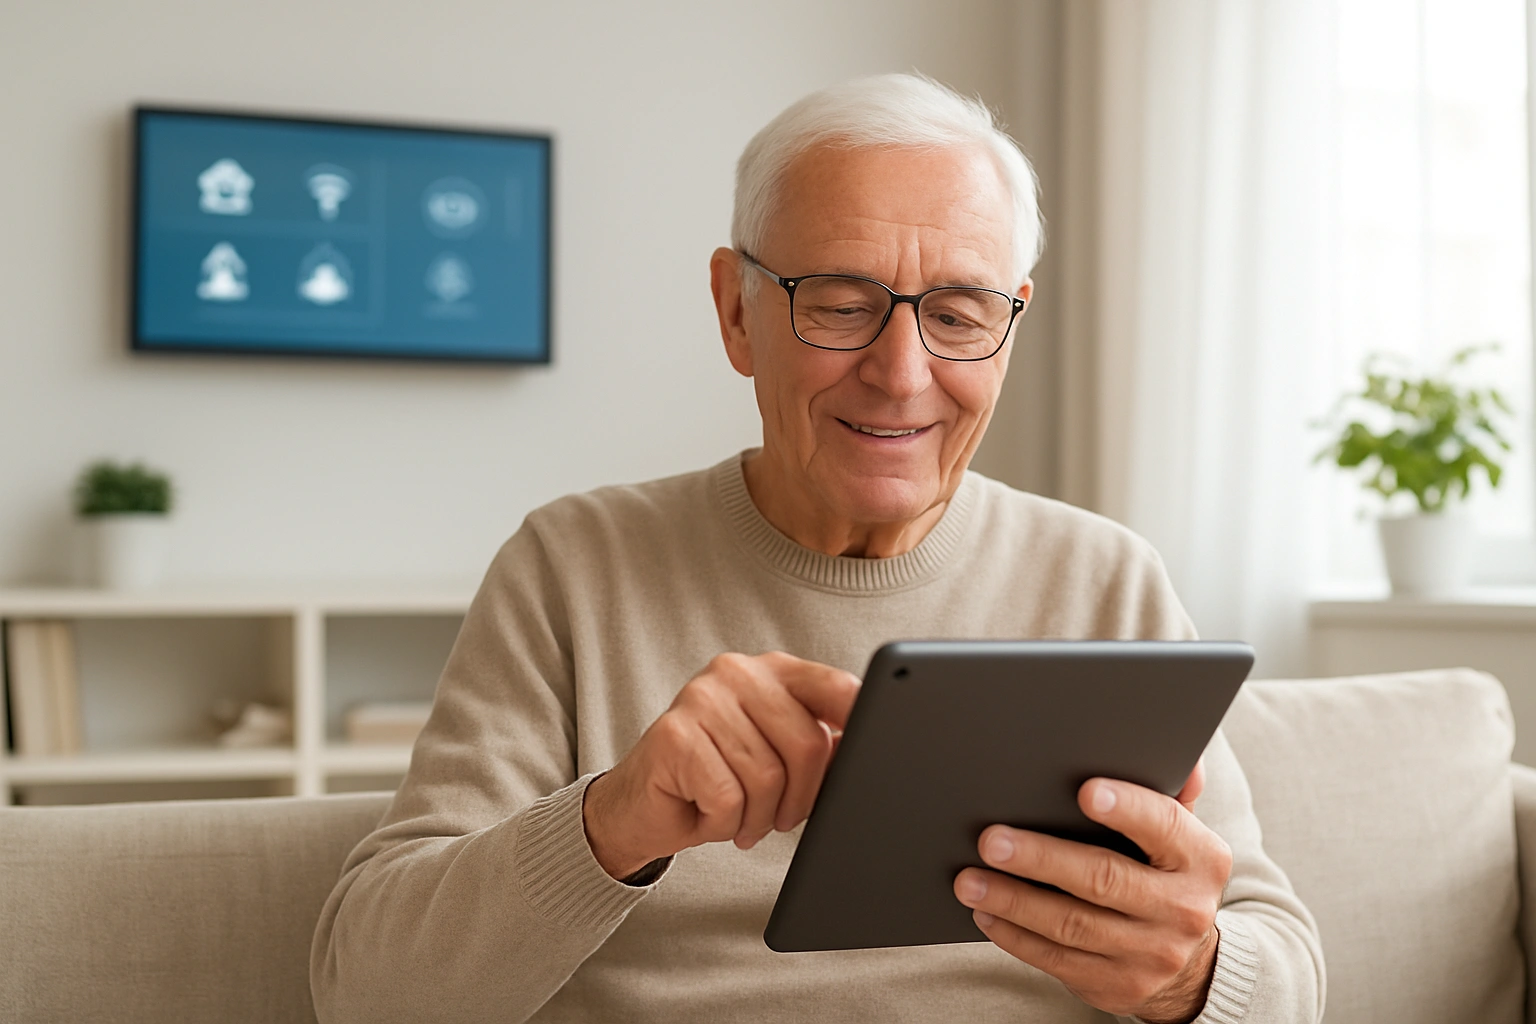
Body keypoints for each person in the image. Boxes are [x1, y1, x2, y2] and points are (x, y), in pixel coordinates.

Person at [311, 73, 1324, 1024]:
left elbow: (1283, 963)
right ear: (735, 310)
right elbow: (366, 990)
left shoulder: (1105, 580)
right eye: (841, 304)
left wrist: (1188, 977)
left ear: (1010, 327)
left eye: (959, 314)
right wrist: (614, 822)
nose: (901, 372)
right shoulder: (572, 567)